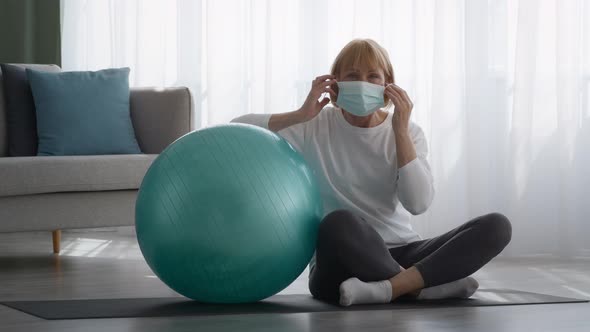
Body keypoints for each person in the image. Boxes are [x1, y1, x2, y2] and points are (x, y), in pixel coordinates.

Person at [231, 38, 512, 307]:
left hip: (402, 250)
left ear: (388, 85)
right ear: (335, 84)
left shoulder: (408, 132)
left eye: (373, 76)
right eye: (352, 75)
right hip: (339, 261)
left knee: (497, 226)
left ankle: (391, 288)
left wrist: (399, 131)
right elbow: (237, 131)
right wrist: (300, 115)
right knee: (338, 222)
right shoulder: (312, 126)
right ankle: (418, 288)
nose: (362, 83)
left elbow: (418, 203)